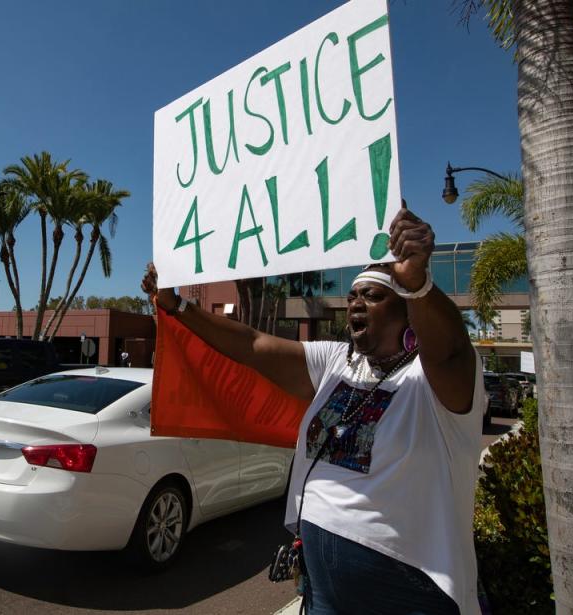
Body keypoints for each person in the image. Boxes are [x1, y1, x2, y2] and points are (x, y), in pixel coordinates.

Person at [142, 205, 484, 614]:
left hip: (406, 591)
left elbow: (451, 351)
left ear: (405, 309)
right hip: (324, 588)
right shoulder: (337, 361)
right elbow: (252, 345)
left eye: (373, 296)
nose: (356, 304)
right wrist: (179, 306)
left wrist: (418, 284)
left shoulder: (430, 379)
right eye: (353, 296)